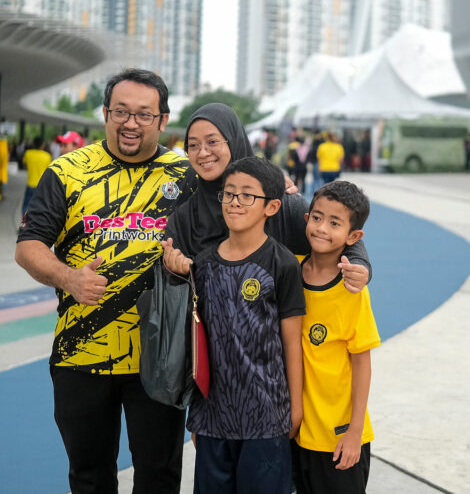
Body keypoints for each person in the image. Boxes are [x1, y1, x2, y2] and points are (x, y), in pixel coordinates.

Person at [15, 68, 197, 494]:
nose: (130, 123)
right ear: (105, 113)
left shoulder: (188, 176)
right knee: (90, 476)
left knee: (159, 477)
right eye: (121, 111)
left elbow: (250, 211)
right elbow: (28, 246)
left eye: (143, 114)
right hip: (81, 352)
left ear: (163, 120)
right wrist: (68, 277)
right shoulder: (68, 171)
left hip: (160, 355)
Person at [161, 156, 305, 493]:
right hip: (213, 418)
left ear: (271, 207)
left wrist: (294, 408)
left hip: (267, 416)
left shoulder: (281, 263)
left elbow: (291, 343)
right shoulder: (205, 263)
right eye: (228, 194)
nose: (235, 202)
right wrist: (198, 415)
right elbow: (199, 342)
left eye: (246, 195)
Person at [162, 103, 370, 291]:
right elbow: (173, 281)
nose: (203, 152)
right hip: (210, 329)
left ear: (234, 141)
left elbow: (336, 229)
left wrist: (359, 266)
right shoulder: (187, 212)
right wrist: (175, 268)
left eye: (212, 141)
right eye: (193, 145)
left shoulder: (276, 200)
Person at [293, 180, 381, 494]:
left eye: (334, 223)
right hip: (299, 432)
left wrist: (355, 431)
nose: (321, 228)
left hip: (339, 436)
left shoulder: (352, 290)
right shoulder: (290, 270)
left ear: (353, 236)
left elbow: (362, 364)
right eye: (316, 218)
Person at [20, 138, 52, 220]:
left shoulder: (28, 153)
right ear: (42, 145)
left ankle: (24, 225)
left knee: (26, 205)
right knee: (40, 207)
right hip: (41, 186)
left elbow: (25, 163)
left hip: (30, 184)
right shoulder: (47, 156)